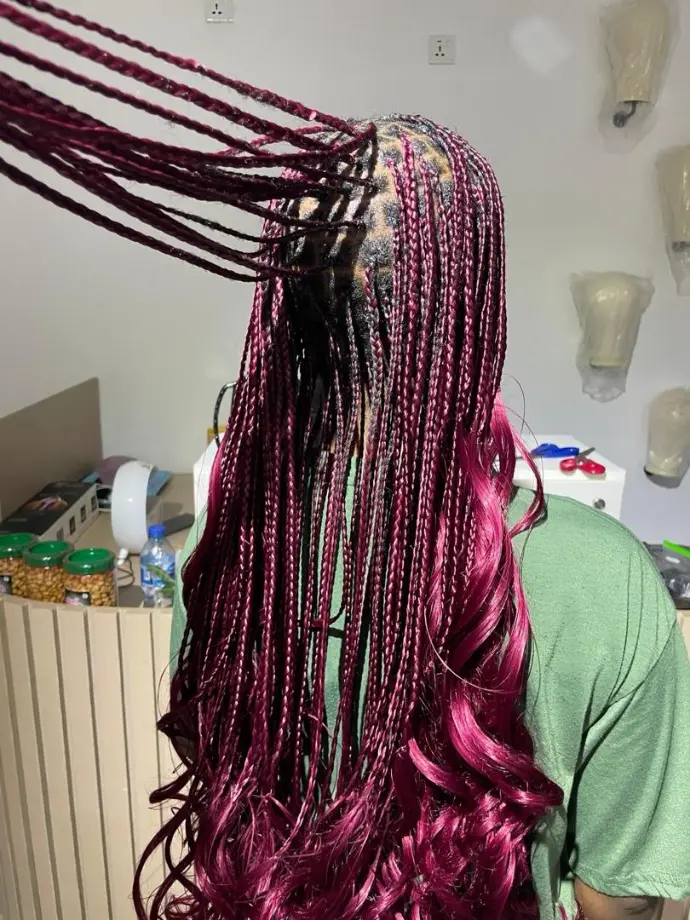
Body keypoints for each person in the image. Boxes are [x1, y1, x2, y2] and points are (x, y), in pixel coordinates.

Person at [1, 4, 688, 920]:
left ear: (287, 315)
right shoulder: (608, 581)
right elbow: (618, 902)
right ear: (472, 307)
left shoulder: (233, 552)